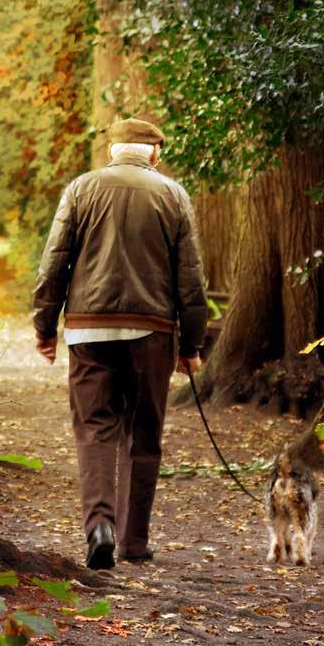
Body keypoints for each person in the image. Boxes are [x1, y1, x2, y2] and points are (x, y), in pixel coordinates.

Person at [32, 117, 208, 569]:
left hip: (89, 329)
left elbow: (54, 263)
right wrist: (191, 344)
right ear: (154, 153)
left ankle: (99, 527)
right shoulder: (173, 196)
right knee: (143, 435)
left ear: (112, 151)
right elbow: (190, 280)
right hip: (152, 331)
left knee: (94, 428)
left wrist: (45, 327)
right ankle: (133, 541)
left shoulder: (81, 189)